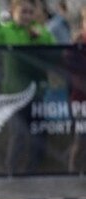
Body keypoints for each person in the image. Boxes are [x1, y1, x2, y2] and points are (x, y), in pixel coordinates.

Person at [0, 0, 56, 175]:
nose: (27, 16)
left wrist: (40, 37)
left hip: (38, 94)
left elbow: (55, 52)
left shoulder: (40, 32)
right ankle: (11, 174)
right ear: (13, 13)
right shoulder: (6, 32)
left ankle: (33, 173)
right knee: (19, 136)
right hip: (14, 95)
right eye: (23, 12)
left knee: (39, 138)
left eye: (30, 12)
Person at [68, 6, 86, 172]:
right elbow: (73, 74)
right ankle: (73, 176)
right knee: (81, 140)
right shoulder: (77, 45)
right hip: (81, 100)